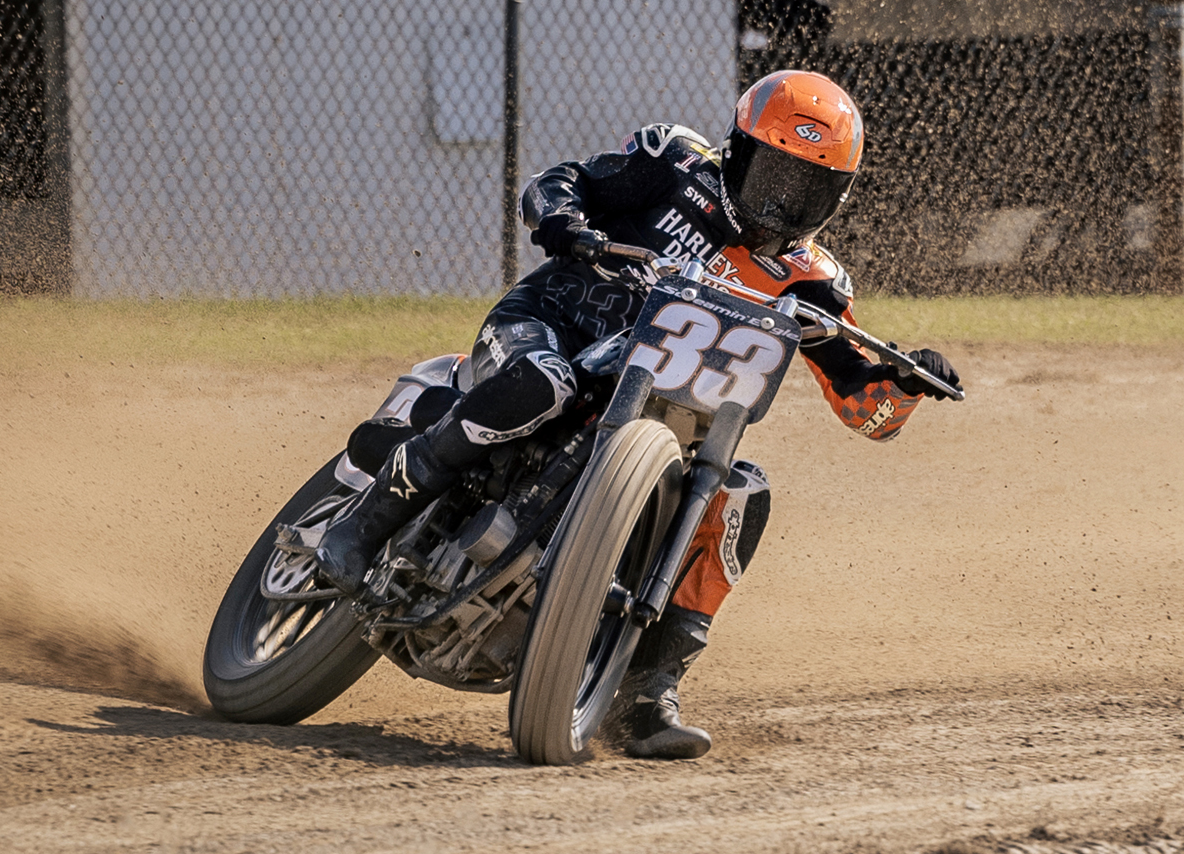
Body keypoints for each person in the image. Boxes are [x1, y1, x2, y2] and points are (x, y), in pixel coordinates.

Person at [315, 70, 963, 760]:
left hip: (672, 416)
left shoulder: (815, 283)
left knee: (744, 494)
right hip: (551, 327)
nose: (783, 202)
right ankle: (367, 520)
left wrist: (904, 383)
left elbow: (867, 413)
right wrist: (566, 224)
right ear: (739, 149)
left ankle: (647, 692)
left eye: (808, 188)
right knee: (545, 383)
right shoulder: (673, 163)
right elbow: (557, 183)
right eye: (775, 173)